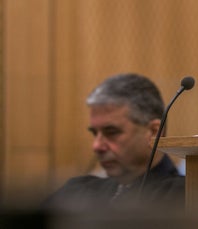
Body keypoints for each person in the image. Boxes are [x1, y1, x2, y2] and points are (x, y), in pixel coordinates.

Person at [43, 73, 185, 212]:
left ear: (154, 132)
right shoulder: (77, 191)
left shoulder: (187, 198)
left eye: (111, 132)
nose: (96, 146)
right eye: (94, 133)